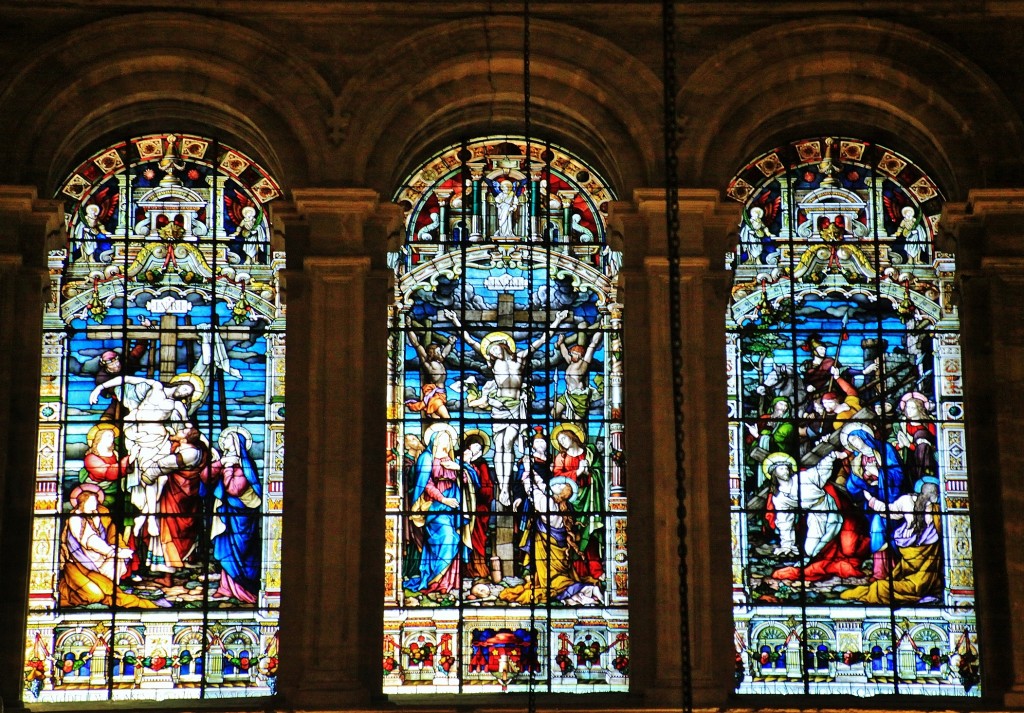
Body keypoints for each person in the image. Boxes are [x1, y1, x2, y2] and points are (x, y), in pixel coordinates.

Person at [442, 308, 571, 507]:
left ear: (503, 346)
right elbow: (471, 341)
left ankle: (505, 488)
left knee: (508, 444)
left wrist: (558, 320)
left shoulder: (520, 358)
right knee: (499, 448)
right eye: (490, 350)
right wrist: (455, 321)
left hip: (515, 407)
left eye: (494, 348)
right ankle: (503, 485)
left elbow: (541, 341)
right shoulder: (493, 365)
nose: (492, 351)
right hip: (499, 408)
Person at [88, 374, 198, 540]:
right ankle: (149, 517)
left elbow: (189, 427)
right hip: (141, 437)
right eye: (184, 388)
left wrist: (207, 446)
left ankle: (146, 516)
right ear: (179, 383)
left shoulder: (177, 406)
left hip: (160, 440)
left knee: (162, 479)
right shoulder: (156, 387)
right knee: (151, 479)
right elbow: (126, 379)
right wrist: (100, 388)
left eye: (186, 393)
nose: (183, 393)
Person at [498, 471, 602, 606]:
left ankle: (584, 592)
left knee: (553, 583)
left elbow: (535, 494)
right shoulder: (562, 507)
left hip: (549, 554)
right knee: (558, 579)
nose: (554, 485)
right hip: (558, 551)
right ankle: (586, 593)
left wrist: (526, 479)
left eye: (558, 485)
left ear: (559, 492)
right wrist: (533, 473)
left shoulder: (549, 505)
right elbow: (543, 489)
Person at [840, 478, 942, 604]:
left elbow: (887, 511)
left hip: (915, 561)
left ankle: (878, 589)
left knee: (896, 586)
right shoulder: (937, 512)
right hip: (921, 565)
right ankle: (880, 589)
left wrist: (871, 500)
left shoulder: (907, 501)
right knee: (913, 587)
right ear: (935, 496)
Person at [58, 483, 158, 609]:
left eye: (96, 501)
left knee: (118, 561)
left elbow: (112, 534)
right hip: (80, 565)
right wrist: (113, 552)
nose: (95, 504)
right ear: (82, 502)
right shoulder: (76, 518)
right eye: (91, 502)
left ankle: (110, 586)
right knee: (95, 595)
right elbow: (90, 540)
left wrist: (121, 549)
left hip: (101, 559)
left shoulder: (101, 514)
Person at [404, 426, 477, 595]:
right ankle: (433, 579)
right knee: (447, 537)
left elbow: (468, 479)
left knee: (455, 537)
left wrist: (459, 468)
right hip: (436, 505)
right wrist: (443, 499)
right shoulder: (426, 458)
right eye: (443, 438)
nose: (446, 441)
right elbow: (425, 484)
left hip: (454, 503)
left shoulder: (452, 459)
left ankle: (449, 582)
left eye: (448, 438)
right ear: (435, 440)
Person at [145, 426, 210, 587]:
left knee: (169, 532)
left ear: (185, 439)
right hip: (187, 496)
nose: (178, 430)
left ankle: (167, 577)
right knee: (181, 531)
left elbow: (159, 467)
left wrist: (146, 477)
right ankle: (183, 564)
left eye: (182, 431)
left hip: (175, 498)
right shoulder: (198, 450)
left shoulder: (189, 454)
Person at [204, 427, 263, 603]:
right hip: (226, 514)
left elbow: (234, 489)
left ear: (237, 443)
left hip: (242, 516)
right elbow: (205, 477)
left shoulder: (246, 465)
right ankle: (225, 587)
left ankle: (242, 588)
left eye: (229, 439)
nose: (225, 442)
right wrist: (221, 463)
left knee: (240, 550)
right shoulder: (225, 461)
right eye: (225, 439)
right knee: (227, 547)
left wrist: (229, 468)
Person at [842, 424, 907, 580]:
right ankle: (885, 570)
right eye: (851, 441)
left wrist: (878, 472)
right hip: (871, 500)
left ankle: (881, 572)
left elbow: (898, 474)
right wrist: (860, 482)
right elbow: (852, 485)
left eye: (855, 438)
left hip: (891, 498)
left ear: (864, 436)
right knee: (877, 530)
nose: (854, 443)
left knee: (878, 529)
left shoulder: (885, 449)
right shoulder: (858, 459)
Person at [551, 424, 604, 580]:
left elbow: (600, 472)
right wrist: (578, 472)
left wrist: (590, 472)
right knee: (574, 537)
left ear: (572, 436)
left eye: (564, 437)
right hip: (571, 502)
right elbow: (556, 478)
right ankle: (577, 574)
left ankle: (596, 571)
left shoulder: (590, 452)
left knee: (591, 535)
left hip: (591, 498)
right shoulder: (561, 458)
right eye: (560, 440)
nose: (563, 441)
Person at [462, 430, 495, 579]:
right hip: (463, 507)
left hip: (479, 508)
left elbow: (487, 489)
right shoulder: (460, 463)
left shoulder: (482, 465)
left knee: (478, 539)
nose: (477, 449)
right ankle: (465, 570)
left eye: (479, 447)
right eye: (473, 446)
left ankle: (479, 569)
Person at [551, 331, 602, 420]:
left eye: (574, 353)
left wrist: (601, 330)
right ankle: (567, 421)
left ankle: (571, 423)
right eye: (572, 353)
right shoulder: (570, 363)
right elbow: (565, 354)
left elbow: (593, 344)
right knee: (554, 413)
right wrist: (561, 343)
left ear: (581, 356)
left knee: (578, 421)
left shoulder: (583, 364)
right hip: (567, 395)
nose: (571, 354)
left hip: (579, 397)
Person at [405, 329, 454, 419]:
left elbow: (445, 352)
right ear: (432, 354)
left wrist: (450, 343)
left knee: (437, 419)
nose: (440, 353)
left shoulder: (440, 360)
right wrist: (409, 328)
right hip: (435, 396)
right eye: (438, 352)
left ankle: (437, 432)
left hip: (441, 395)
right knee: (446, 417)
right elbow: (416, 344)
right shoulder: (428, 364)